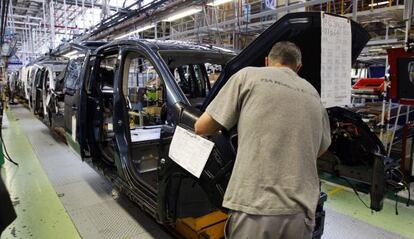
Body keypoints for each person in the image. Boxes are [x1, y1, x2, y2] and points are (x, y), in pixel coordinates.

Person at [194, 41, 331, 239]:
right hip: (301, 211)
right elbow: (320, 148)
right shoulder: (314, 95)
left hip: (255, 206)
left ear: (267, 61)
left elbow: (202, 127)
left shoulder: (247, 76)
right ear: (298, 67)